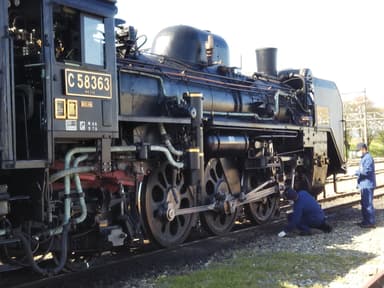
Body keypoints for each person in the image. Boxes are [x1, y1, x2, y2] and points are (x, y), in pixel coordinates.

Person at [355, 142, 376, 228]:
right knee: (364, 204)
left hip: (367, 184)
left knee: (368, 204)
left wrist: (357, 172)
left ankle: (370, 222)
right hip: (364, 185)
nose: (358, 152)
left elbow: (366, 172)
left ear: (363, 149)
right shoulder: (364, 158)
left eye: (359, 150)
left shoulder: (368, 158)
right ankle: (365, 221)